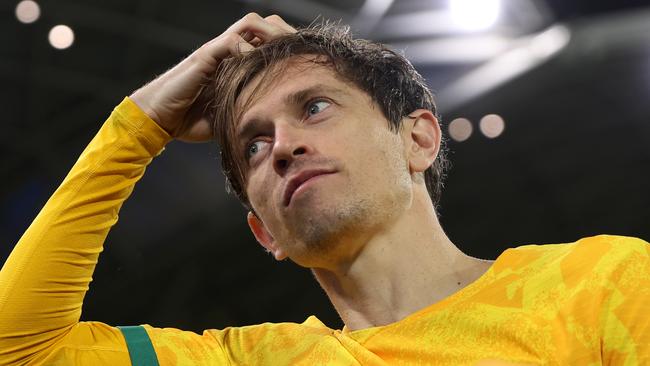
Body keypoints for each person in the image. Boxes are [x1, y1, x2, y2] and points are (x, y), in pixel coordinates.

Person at [0, 12, 648, 365]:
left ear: (418, 139)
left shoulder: (603, 284)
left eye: (314, 108)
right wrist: (138, 128)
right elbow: (21, 347)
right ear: (264, 233)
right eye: (254, 144)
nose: (282, 146)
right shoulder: (253, 360)